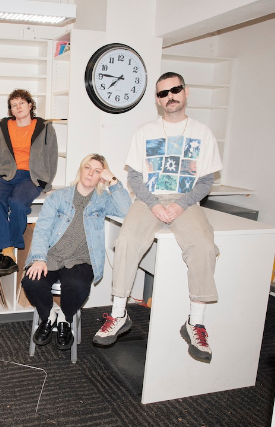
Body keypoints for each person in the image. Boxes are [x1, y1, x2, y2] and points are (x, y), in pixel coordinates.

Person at [93, 72, 222, 364]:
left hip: (185, 201)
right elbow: (135, 178)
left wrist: (180, 205)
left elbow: (205, 181)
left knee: (204, 247)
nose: (170, 97)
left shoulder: (202, 132)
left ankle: (195, 323)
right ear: (157, 99)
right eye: (163, 93)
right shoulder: (146, 131)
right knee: (126, 241)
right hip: (148, 199)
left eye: (175, 90)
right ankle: (118, 314)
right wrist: (153, 204)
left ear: (186, 92)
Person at [22, 154, 131, 350]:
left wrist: (113, 181)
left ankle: (65, 318)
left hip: (81, 259)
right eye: (87, 168)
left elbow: (126, 211)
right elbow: (42, 230)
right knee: (31, 281)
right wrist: (39, 258)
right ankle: (48, 317)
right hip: (52, 256)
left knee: (77, 285)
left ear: (101, 177)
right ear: (81, 169)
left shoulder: (103, 200)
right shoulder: (58, 197)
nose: (90, 173)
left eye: (97, 171)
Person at [0, 89, 58, 276]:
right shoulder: (2, 126)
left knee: (17, 203)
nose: (18, 107)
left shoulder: (45, 127)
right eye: (14, 105)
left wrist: (46, 183)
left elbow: (52, 156)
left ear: (30, 105)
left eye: (21, 103)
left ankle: (5, 253)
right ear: (11, 109)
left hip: (31, 177)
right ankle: (8, 252)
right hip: (6, 175)